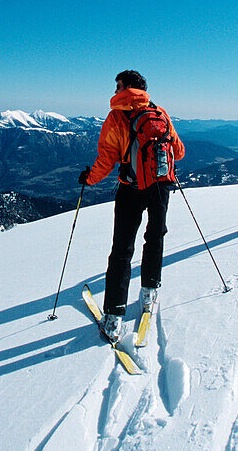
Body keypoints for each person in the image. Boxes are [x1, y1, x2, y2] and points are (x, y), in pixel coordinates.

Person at [79, 70, 185, 340]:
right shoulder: (159, 111)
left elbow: (107, 159)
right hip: (161, 186)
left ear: (125, 87)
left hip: (131, 188)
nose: (115, 91)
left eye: (117, 86)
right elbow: (179, 151)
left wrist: (89, 179)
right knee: (155, 237)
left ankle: (114, 317)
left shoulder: (116, 117)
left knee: (122, 250)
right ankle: (149, 294)